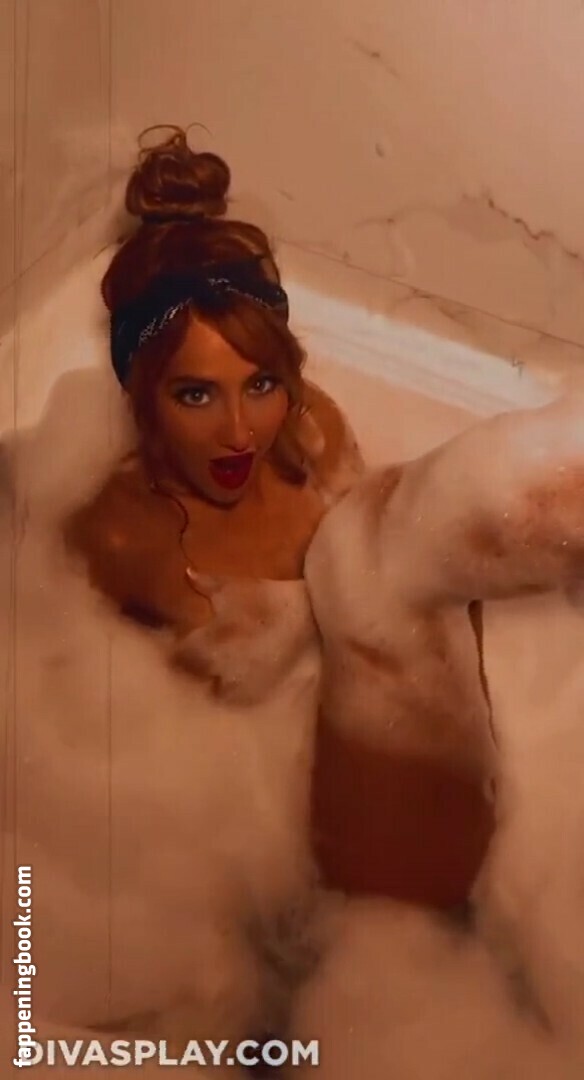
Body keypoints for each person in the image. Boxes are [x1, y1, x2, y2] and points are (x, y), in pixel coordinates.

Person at [63, 125, 364, 639]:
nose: (240, 433)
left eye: (261, 385)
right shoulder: (120, 542)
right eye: (196, 394)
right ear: (140, 393)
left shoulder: (319, 437)